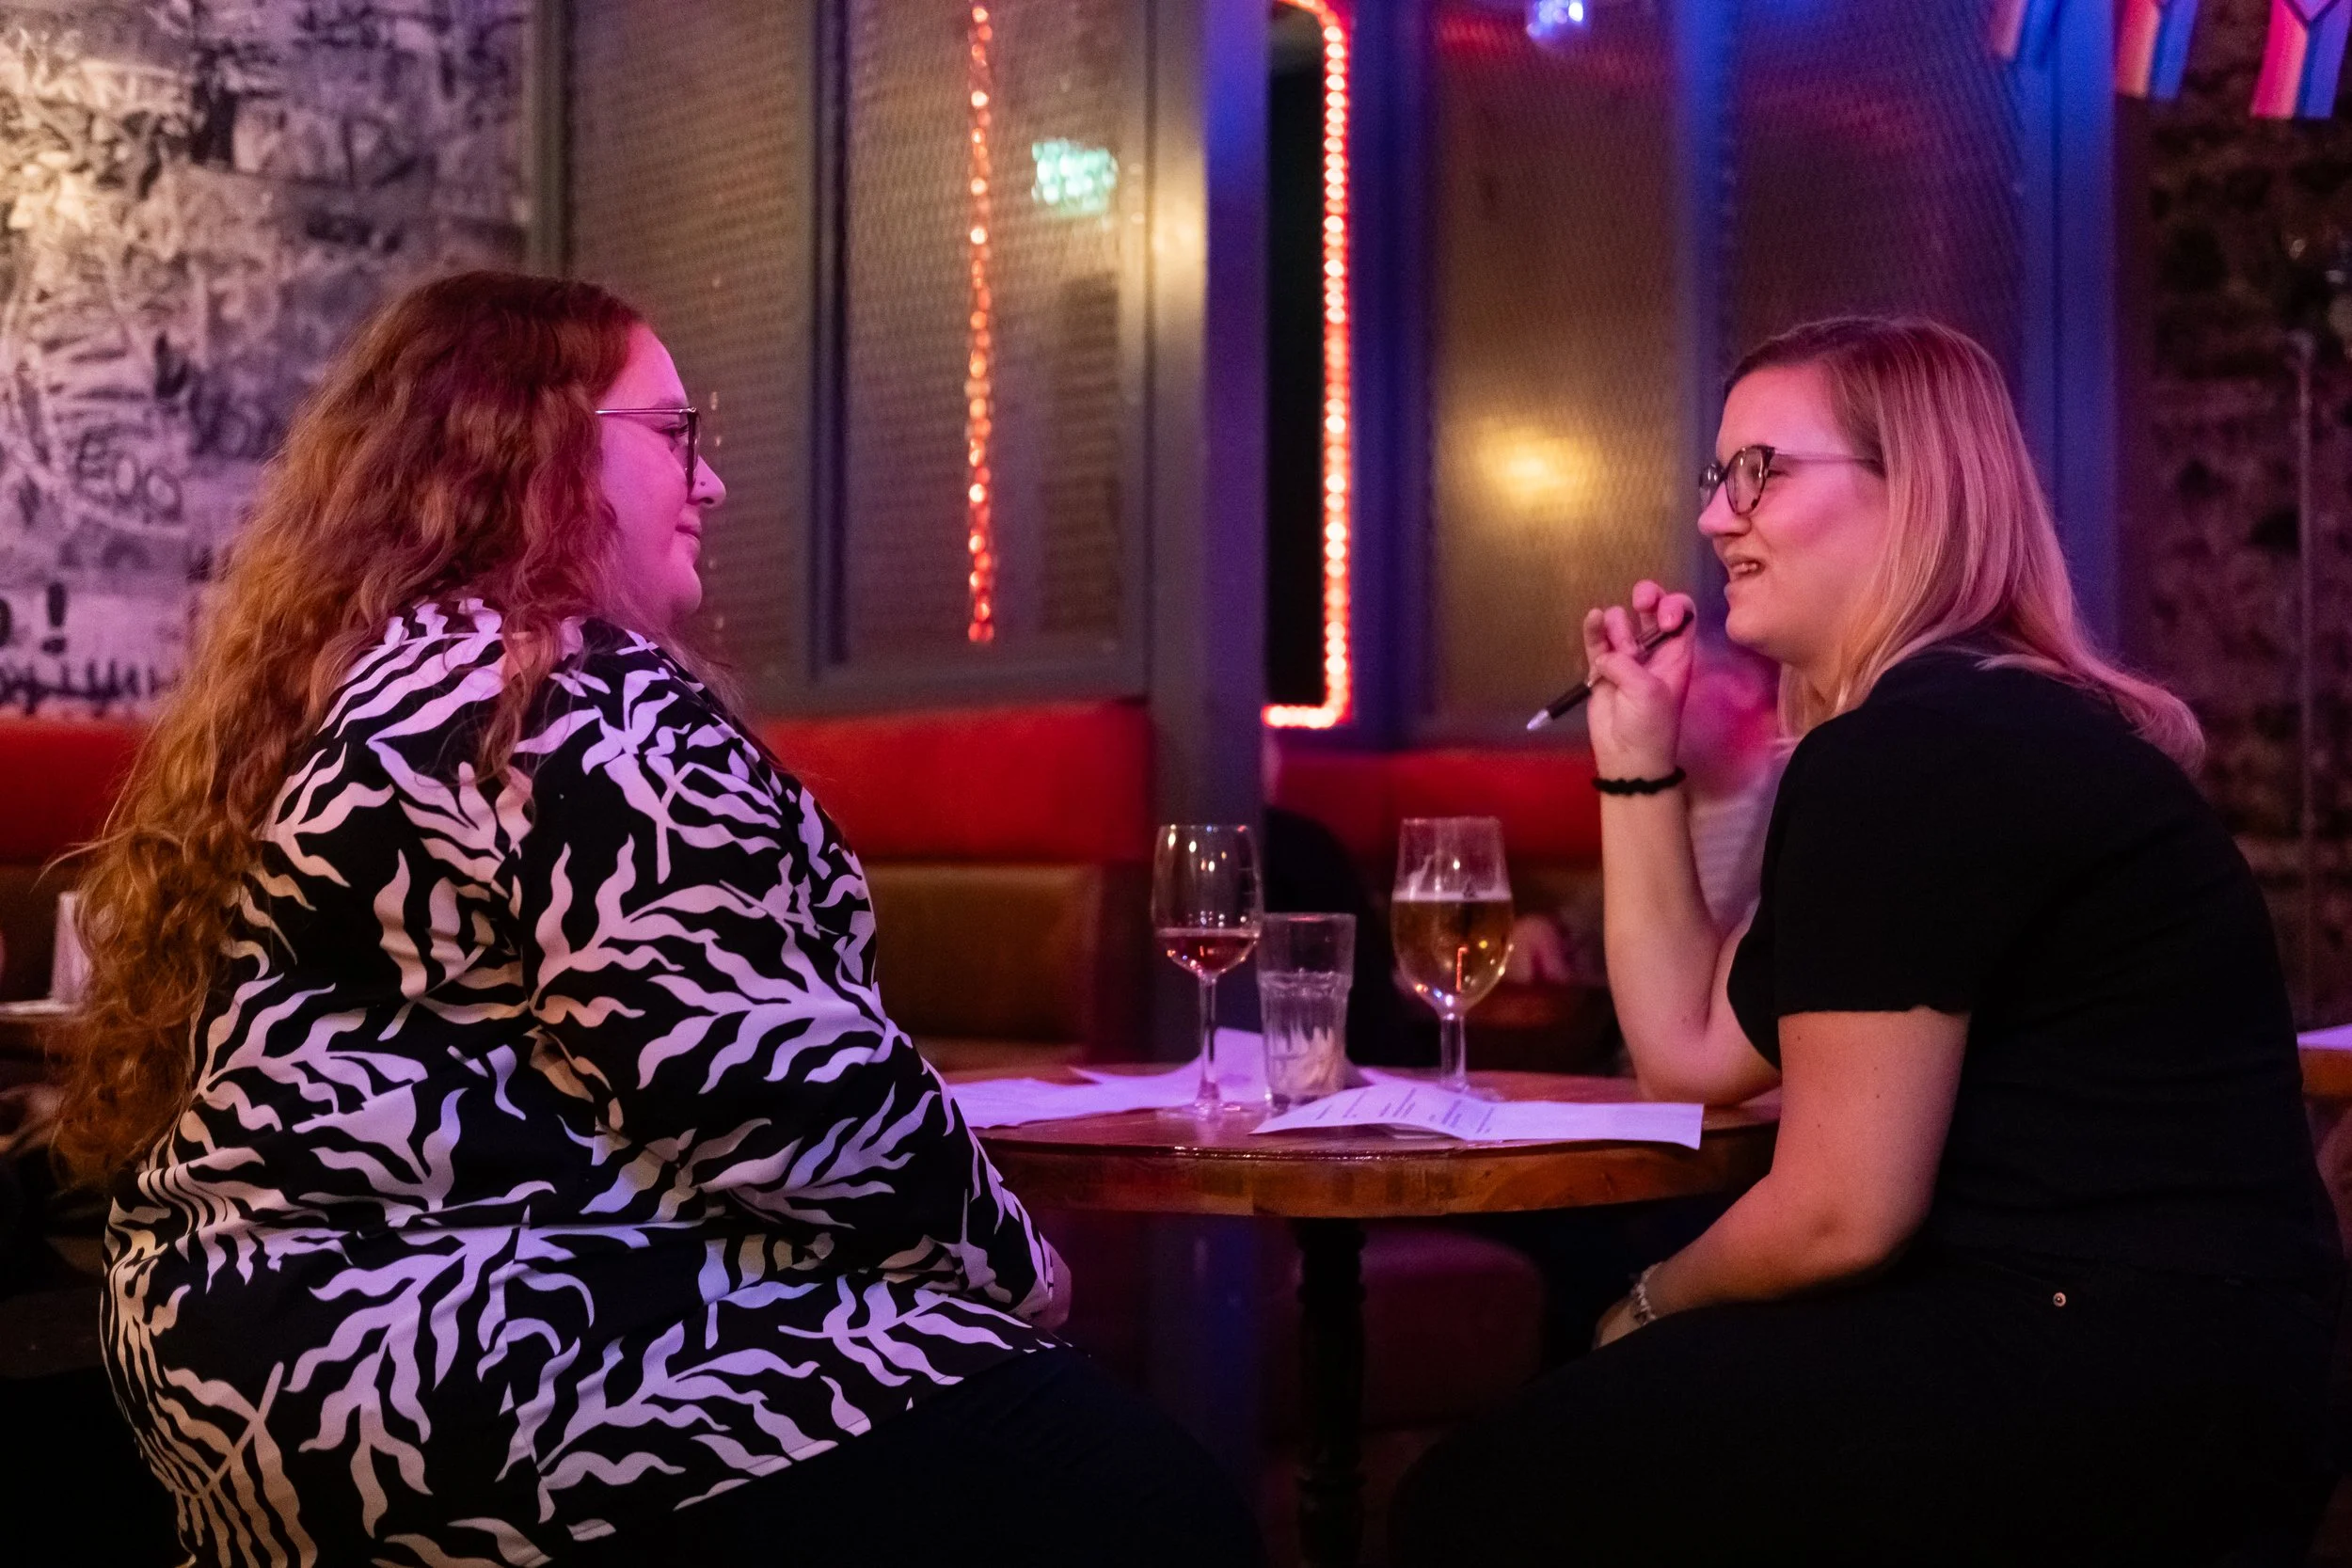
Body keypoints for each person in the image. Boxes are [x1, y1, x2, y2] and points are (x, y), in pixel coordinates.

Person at [54, 272, 1260, 1568]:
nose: (712, 482)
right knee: (1158, 1504)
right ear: (536, 447)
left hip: (253, 1374)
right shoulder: (565, 698)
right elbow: (776, 1088)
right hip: (505, 1379)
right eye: (676, 434)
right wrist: (1022, 1265)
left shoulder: (338, 687)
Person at [1390, 317, 2340, 1567]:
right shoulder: (1954, 723)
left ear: (1918, 497)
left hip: (2109, 1362)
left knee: (1475, 1502)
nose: (1717, 520)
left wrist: (1647, 1303)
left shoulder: (1911, 753)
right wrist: (1635, 758)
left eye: (1760, 472)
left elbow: (1842, 1212)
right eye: (1714, 479)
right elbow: (1685, 1046)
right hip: (2202, 1351)